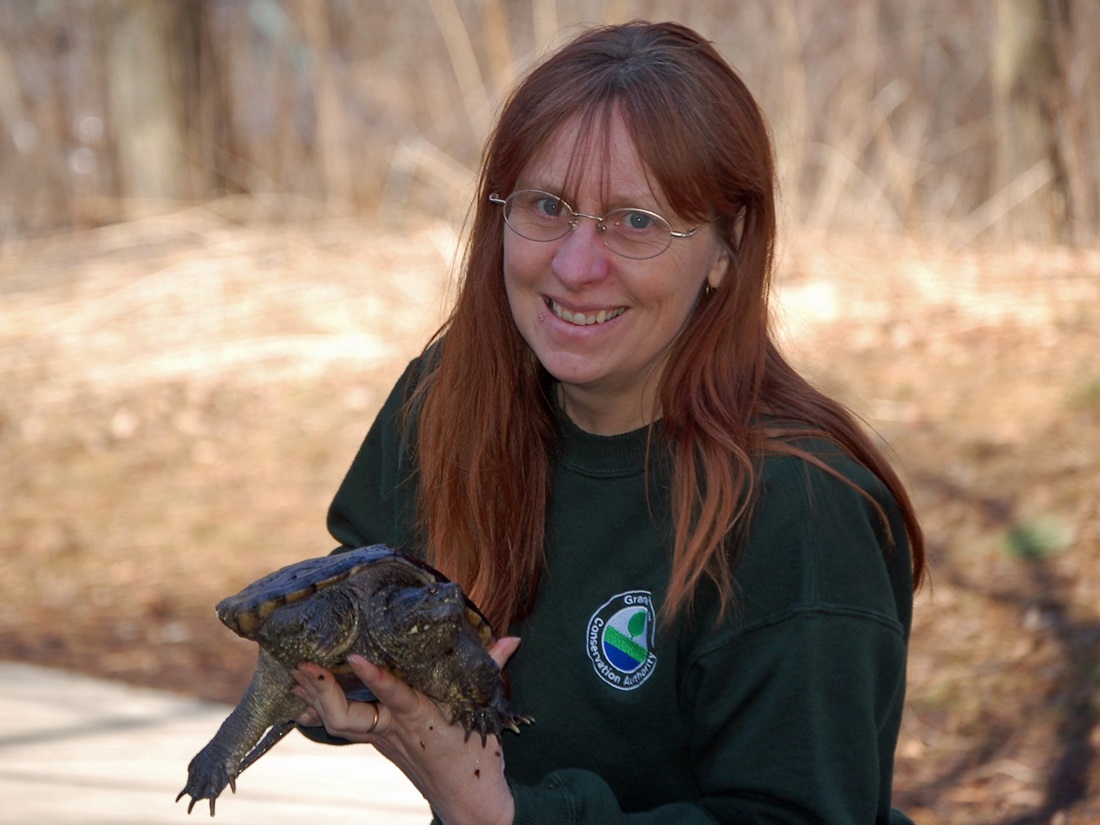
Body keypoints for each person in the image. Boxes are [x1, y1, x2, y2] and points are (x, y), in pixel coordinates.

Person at [289, 19, 925, 825]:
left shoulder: (800, 509)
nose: (576, 265)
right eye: (548, 206)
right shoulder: (455, 396)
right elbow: (364, 581)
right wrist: (345, 678)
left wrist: (502, 812)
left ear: (728, 248)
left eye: (636, 221)